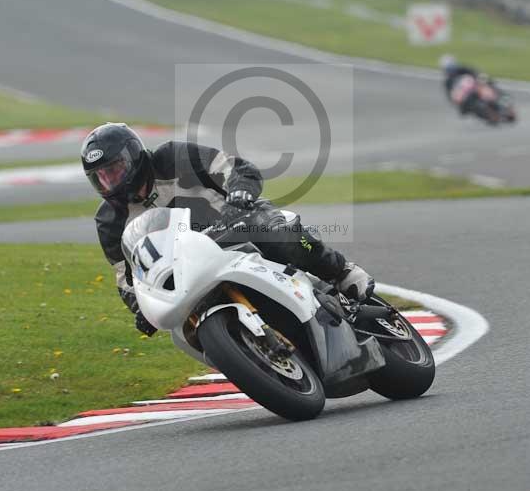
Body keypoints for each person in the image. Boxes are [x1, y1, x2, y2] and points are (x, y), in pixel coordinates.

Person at [81, 123, 374, 336]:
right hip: (190, 269)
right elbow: (126, 275)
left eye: (116, 169)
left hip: (236, 223)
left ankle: (341, 272)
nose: (111, 180)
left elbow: (235, 168)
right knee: (183, 325)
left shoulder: (173, 158)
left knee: (277, 235)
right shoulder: (109, 221)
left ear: (133, 156)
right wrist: (140, 308)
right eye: (102, 177)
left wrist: (241, 192)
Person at [439, 54, 497, 119]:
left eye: (451, 67)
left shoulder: (462, 69)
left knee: (487, 83)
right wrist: (456, 101)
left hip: (474, 87)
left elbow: (475, 72)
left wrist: (480, 78)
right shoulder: (448, 82)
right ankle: (486, 114)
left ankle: (498, 99)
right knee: (463, 110)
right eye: (448, 68)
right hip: (465, 96)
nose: (450, 70)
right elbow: (450, 95)